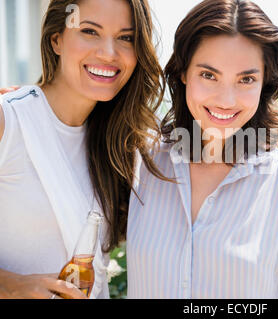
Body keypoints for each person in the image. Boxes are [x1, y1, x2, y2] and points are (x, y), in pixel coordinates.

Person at [127, 0, 278, 299]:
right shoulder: (142, 163)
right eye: (209, 75)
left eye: (246, 79)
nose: (226, 99)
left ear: (265, 83)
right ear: (183, 73)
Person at [0, 0, 168, 299]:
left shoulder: (123, 146)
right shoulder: (9, 121)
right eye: (90, 31)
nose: (109, 53)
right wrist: (9, 285)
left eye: (126, 38)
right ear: (57, 40)